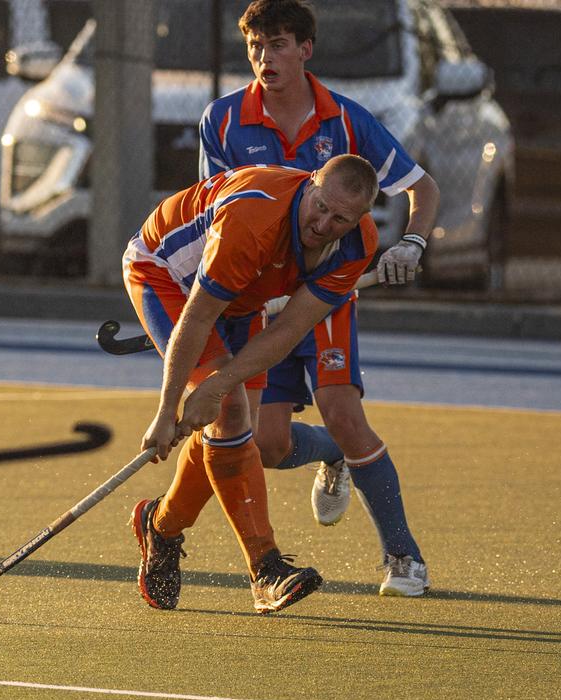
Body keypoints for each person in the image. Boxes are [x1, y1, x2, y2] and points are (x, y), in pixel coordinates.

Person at [198, 0, 436, 597]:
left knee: (342, 408)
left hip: (328, 295)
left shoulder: (347, 120)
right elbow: (210, 215)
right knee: (270, 445)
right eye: (256, 46)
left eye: (278, 44)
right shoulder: (223, 121)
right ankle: (334, 455)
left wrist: (411, 241)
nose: (264, 57)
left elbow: (422, 188)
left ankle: (404, 559)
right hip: (260, 302)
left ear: (306, 49)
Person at [125, 154, 379, 614]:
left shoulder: (356, 245)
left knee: (233, 429)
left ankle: (160, 527)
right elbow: (198, 315)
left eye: (340, 218)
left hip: (246, 294)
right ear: (312, 183)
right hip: (165, 275)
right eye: (319, 206)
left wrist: (217, 386)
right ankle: (265, 569)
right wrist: (167, 411)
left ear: (361, 219)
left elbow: (285, 333)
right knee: (233, 413)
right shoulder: (253, 218)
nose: (323, 224)